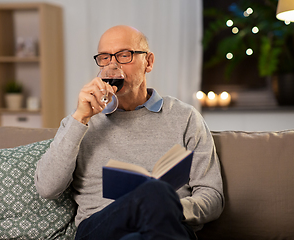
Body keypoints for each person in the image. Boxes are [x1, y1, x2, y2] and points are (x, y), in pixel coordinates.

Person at [35, 25, 224, 240]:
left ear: (149, 62)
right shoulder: (81, 121)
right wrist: (80, 118)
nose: (113, 65)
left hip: (168, 226)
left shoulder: (185, 118)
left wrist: (161, 206)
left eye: (124, 55)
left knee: (148, 211)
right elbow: (47, 188)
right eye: (105, 58)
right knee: (155, 193)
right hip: (101, 229)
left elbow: (213, 198)